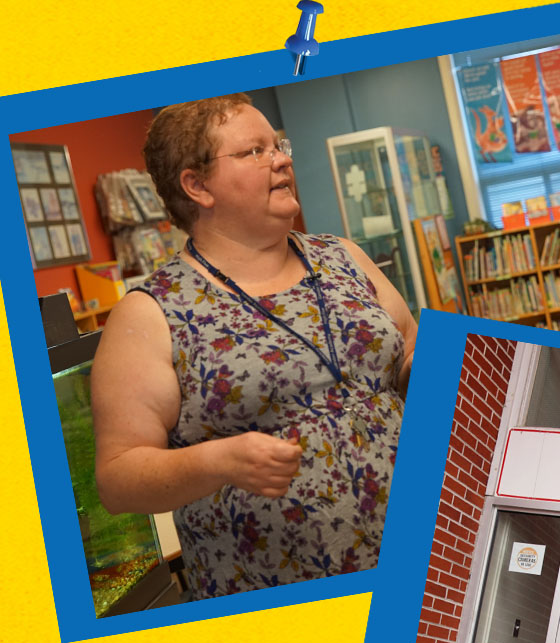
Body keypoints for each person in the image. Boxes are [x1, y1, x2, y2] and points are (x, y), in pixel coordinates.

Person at [91, 94, 417, 599]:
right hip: (277, 594)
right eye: (254, 152)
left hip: (421, 557)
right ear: (197, 186)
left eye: (278, 145)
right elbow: (118, 478)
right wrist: (217, 461)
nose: (283, 158)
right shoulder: (152, 312)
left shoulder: (344, 257)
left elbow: (408, 357)